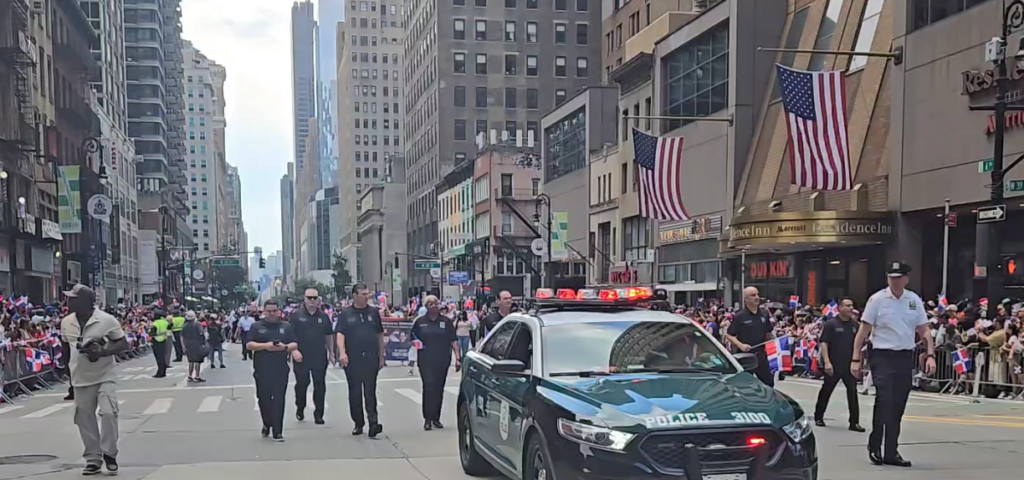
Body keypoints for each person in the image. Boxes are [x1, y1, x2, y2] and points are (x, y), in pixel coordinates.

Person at [852, 261, 936, 467]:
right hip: (882, 355)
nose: (895, 281)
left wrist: (930, 354)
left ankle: (891, 451)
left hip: (904, 356)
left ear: (906, 278)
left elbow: (924, 330)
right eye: (891, 277)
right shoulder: (877, 299)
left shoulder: (913, 300)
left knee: (898, 404)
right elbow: (863, 331)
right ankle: (875, 446)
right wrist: (855, 359)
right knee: (885, 399)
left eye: (899, 277)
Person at [59, 284, 129, 475]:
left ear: (86, 302)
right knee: (84, 419)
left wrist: (103, 351)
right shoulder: (66, 322)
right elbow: (66, 347)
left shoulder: (106, 320)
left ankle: (110, 453)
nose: (69, 301)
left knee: (108, 413)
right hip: (79, 377)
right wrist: (67, 374)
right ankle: (93, 458)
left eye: (73, 298)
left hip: (104, 374)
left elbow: (123, 342)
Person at [335, 283, 385, 437]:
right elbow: (340, 334)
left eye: (367, 294)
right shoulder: (346, 314)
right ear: (355, 295)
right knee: (355, 392)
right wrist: (342, 353)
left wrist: (381, 355)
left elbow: (379, 334)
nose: (366, 297)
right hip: (353, 358)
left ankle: (373, 422)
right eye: (363, 294)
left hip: (370, 357)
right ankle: (358, 422)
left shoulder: (373, 312)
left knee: (370, 391)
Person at [246, 300, 299, 441]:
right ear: (264, 311)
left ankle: (278, 431)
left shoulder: (286, 326)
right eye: (269, 311)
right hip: (262, 368)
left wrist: (285, 347)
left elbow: (294, 343)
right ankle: (267, 422)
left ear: (278, 311)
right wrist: (265, 346)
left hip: (280, 368)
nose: (271, 313)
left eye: (274, 310)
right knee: (263, 399)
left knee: (279, 400)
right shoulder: (257, 326)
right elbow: (249, 344)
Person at [814, 297, 865, 432]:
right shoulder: (831, 324)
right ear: (840, 308)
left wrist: (858, 361)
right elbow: (824, 343)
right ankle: (818, 416)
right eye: (847, 305)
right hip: (834, 363)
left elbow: (859, 344)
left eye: (852, 305)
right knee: (826, 390)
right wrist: (827, 362)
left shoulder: (855, 325)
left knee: (852, 393)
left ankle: (854, 422)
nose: (850, 308)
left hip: (849, 364)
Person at [411, 295, 460, 431]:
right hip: (426, 360)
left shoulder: (446, 321)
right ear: (426, 306)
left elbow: (453, 340)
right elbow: (412, 337)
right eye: (431, 304)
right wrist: (417, 343)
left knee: (439, 388)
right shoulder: (420, 322)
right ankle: (427, 418)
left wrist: (458, 357)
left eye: (436, 303)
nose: (434, 305)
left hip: (442, 359)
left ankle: (436, 418)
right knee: (429, 386)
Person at [290, 288, 334, 424]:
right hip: (301, 355)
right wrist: (293, 350)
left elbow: (329, 335)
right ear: (304, 299)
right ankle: (300, 407)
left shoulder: (323, 316)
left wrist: (331, 353)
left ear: (318, 300)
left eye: (315, 298)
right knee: (302, 383)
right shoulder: (296, 315)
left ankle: (318, 414)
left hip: (319, 355)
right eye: (309, 298)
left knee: (319, 384)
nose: (312, 300)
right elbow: (289, 335)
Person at [725, 286, 775, 387]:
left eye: (757, 294)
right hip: (746, 357)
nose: (757, 297)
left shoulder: (764, 314)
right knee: (744, 386)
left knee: (769, 384)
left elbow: (768, 332)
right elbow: (729, 335)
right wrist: (741, 345)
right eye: (753, 295)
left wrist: (773, 341)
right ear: (746, 299)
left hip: (761, 355)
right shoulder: (740, 316)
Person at [181, 311, 207, 383]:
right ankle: (197, 376)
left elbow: (182, 336)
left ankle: (190, 375)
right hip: (197, 344)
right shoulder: (197, 324)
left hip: (188, 345)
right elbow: (201, 332)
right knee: (198, 361)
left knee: (191, 361)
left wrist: (183, 346)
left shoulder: (185, 325)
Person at [149, 312, 170, 378]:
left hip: (156, 340)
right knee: (163, 356)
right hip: (164, 339)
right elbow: (170, 327)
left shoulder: (155, 323)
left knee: (158, 357)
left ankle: (160, 372)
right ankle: (163, 371)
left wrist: (150, 334)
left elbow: (152, 333)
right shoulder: (165, 322)